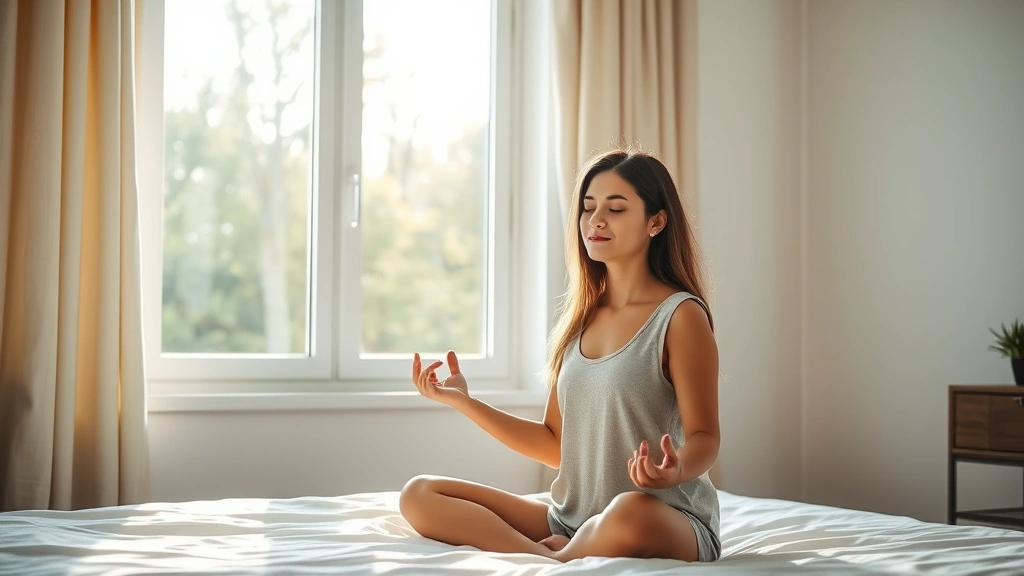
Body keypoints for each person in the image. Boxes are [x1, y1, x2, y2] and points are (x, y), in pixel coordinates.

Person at [399, 147, 721, 563]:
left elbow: (706, 438)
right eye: (588, 208)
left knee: (628, 509)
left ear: (656, 221)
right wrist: (464, 402)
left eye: (616, 208)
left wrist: (674, 470)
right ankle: (546, 557)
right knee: (420, 493)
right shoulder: (580, 320)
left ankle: (560, 559)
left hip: (664, 517)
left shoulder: (680, 316)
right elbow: (555, 445)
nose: (596, 220)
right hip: (570, 519)